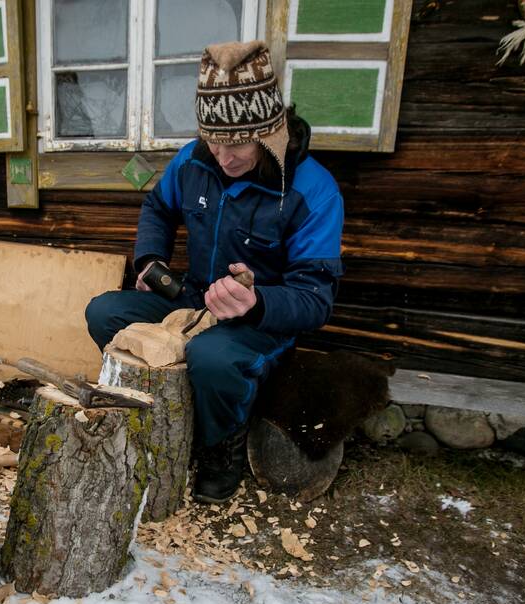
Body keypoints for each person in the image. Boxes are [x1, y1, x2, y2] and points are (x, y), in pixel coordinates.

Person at [85, 40, 344, 504]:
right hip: (192, 297)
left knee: (213, 358)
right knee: (104, 313)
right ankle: (152, 418)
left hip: (259, 322)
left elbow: (315, 298)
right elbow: (157, 208)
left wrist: (257, 301)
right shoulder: (192, 159)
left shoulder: (314, 190)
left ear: (269, 132)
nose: (223, 158)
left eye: (238, 143)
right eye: (214, 140)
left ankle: (218, 445)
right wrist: (149, 260)